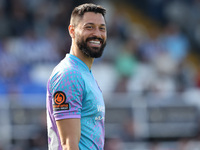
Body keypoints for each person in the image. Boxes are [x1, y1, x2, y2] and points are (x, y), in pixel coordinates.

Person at [46, 3, 107, 150]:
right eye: (89, 27)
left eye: (102, 28)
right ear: (72, 31)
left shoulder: (85, 73)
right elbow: (69, 145)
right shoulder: (69, 75)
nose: (97, 34)